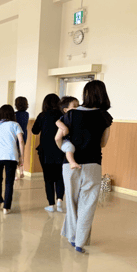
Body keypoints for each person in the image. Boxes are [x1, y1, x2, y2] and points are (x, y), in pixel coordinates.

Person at [55, 80, 113, 253]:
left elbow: (58, 138)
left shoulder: (71, 114)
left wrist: (67, 148)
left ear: (85, 94)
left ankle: (72, 237)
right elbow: (103, 143)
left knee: (71, 202)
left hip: (70, 165)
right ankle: (80, 242)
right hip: (93, 164)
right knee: (87, 204)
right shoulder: (105, 116)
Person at [32, 94, 66, 213]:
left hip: (45, 151)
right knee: (60, 176)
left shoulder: (42, 115)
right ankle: (60, 200)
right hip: (61, 149)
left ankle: (51, 204)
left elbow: (34, 131)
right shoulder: (62, 115)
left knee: (48, 178)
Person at [55, 97, 81, 169]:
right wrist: (64, 128)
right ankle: (72, 163)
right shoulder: (65, 117)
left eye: (78, 106)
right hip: (65, 141)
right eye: (74, 106)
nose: (77, 108)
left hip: (70, 141)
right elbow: (57, 122)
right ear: (65, 110)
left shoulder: (77, 117)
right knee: (70, 147)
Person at [14, 96, 29, 178]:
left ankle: (15, 174)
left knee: (15, 155)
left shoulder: (15, 114)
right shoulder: (26, 114)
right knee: (20, 153)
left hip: (16, 135)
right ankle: (21, 171)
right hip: (24, 135)